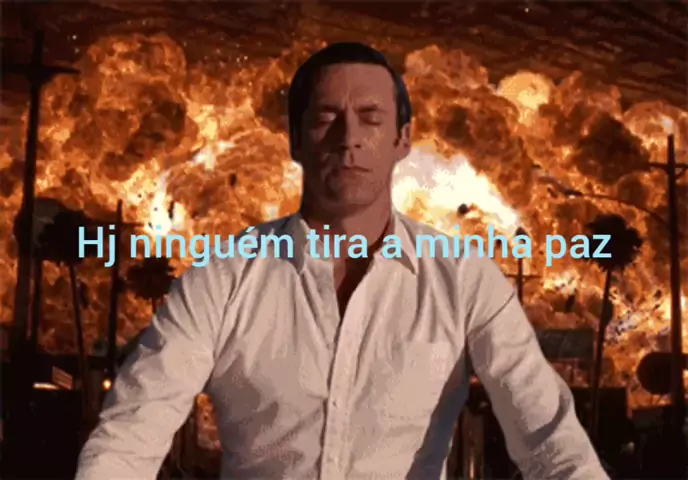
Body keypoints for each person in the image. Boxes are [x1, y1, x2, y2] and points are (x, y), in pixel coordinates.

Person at [76, 42, 608, 479]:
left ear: (402, 140)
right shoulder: (223, 278)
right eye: (327, 118)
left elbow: (550, 442)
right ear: (294, 141)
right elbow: (129, 438)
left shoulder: (464, 280)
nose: (349, 138)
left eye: (370, 118)